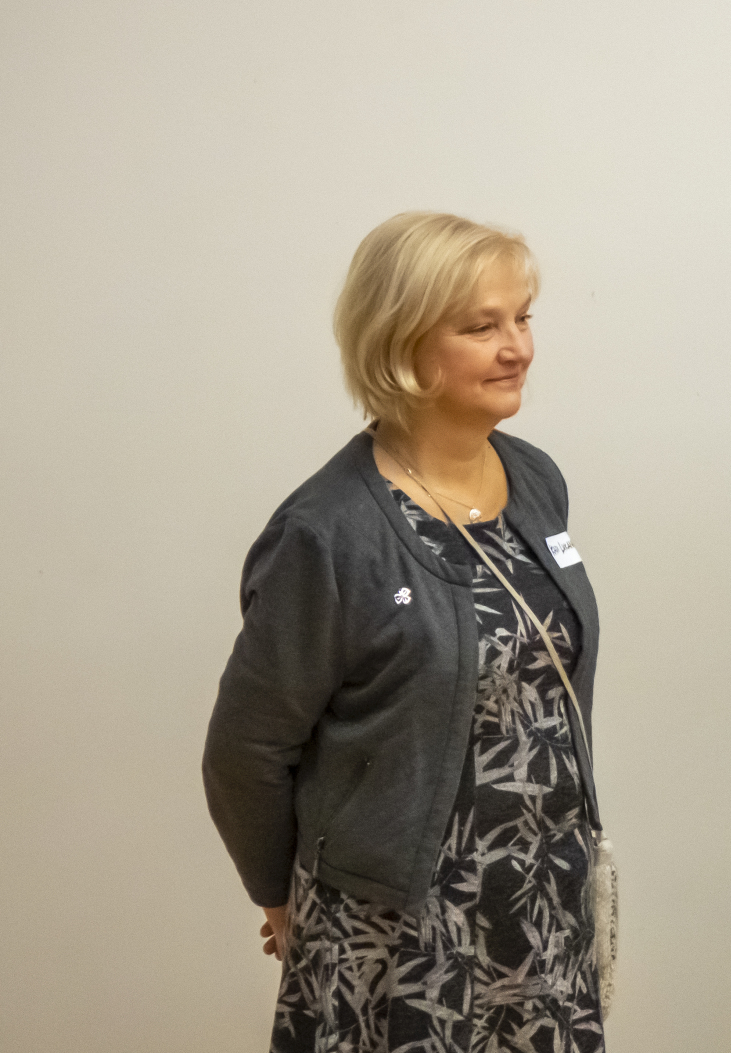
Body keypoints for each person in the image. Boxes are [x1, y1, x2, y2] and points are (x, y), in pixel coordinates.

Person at [203, 212, 607, 1052]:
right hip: (400, 931)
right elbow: (246, 748)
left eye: (522, 318)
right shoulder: (328, 533)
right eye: (481, 327)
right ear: (400, 343)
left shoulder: (535, 478)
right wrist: (280, 897)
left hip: (541, 902)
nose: (518, 348)